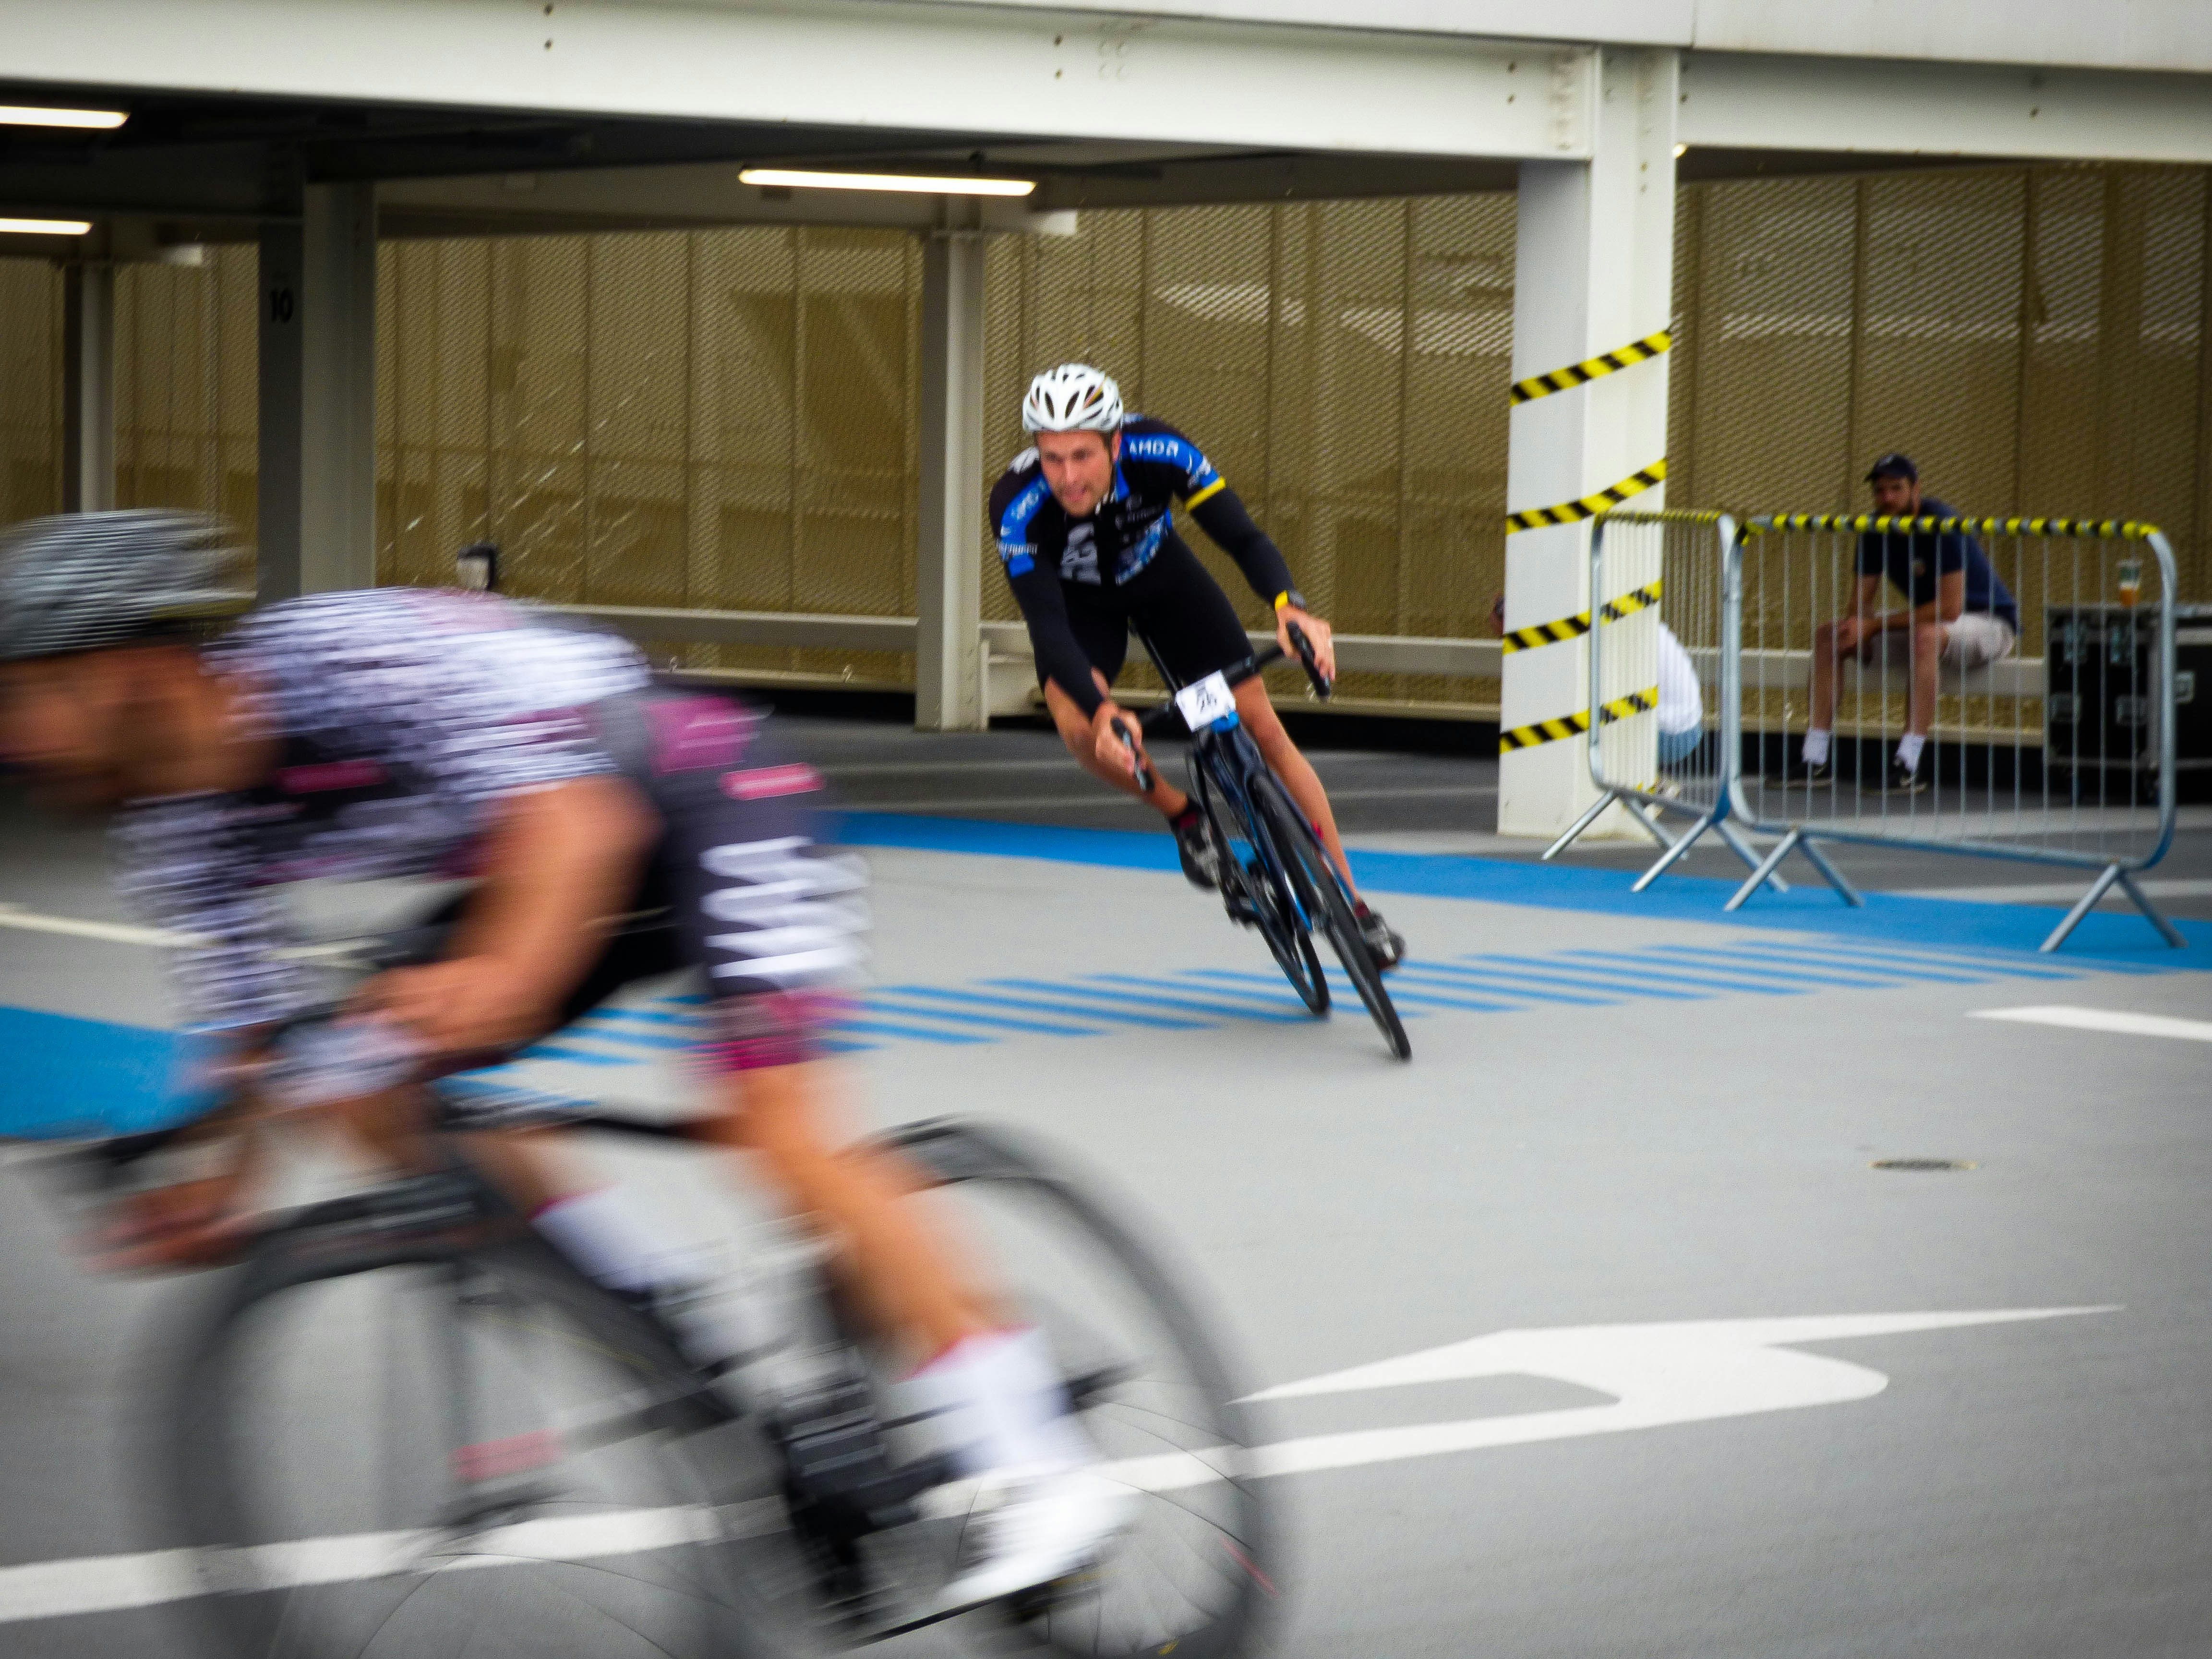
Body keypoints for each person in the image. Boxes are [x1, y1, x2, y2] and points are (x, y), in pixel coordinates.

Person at [0, 509, 1132, 1617]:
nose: (15, 736)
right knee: (370, 1090)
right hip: (561, 859)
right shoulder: (177, 830)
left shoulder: (341, 660)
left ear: (133, 668)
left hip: (708, 802)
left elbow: (574, 826)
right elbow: (260, 1046)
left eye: (31, 696)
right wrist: (211, 1180)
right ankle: (650, 1300)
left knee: (779, 1132)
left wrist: (493, 980)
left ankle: (1043, 1465)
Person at [992, 363, 1404, 968]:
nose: (1068, 476)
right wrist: (1106, 710)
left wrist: (1292, 608)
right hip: (1082, 609)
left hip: (1162, 579)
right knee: (1080, 726)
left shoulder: (1162, 451)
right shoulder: (1016, 505)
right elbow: (1048, 628)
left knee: (1263, 729)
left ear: (1116, 441)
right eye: (1052, 458)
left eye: (1082, 455)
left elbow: (1243, 538)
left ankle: (1355, 904)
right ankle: (1184, 817)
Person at [1782, 453, 2020, 794]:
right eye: (1880, 491)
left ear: (1916, 489)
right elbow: (1860, 603)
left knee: (1924, 636)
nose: (1888, 498)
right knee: (1829, 636)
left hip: (1990, 624)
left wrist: (1875, 627)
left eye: (1896, 489)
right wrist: (1855, 629)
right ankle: (1815, 759)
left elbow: (1950, 608)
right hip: (1936, 630)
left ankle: (1908, 765)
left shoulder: (1941, 521)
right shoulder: (1875, 527)